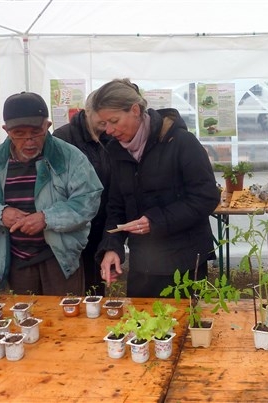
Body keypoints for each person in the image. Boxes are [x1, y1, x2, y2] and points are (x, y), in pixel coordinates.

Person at [0, 92, 103, 296]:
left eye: (35, 132)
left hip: (60, 259)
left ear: (47, 125)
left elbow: (88, 200)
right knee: (20, 321)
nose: (29, 141)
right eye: (19, 133)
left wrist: (46, 218)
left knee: (65, 320)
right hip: (13, 260)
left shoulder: (70, 158)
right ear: (6, 130)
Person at [92, 78, 220, 297]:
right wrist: (112, 246)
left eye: (114, 121)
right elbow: (116, 205)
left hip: (185, 260)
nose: (110, 130)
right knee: (143, 325)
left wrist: (157, 220)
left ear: (134, 110)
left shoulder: (181, 142)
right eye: (104, 124)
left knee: (184, 327)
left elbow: (206, 196)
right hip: (144, 262)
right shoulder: (116, 151)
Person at [53, 90, 112, 293]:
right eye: (101, 118)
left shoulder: (110, 136)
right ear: (88, 110)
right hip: (75, 225)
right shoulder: (63, 138)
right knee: (76, 284)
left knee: (97, 285)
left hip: (103, 224)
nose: (107, 124)